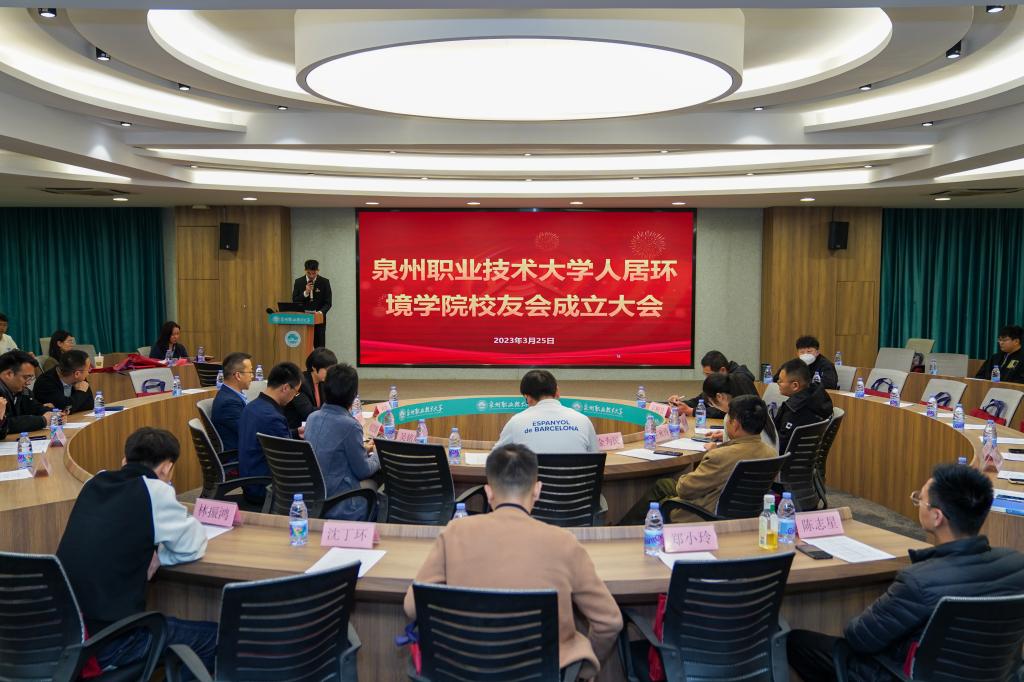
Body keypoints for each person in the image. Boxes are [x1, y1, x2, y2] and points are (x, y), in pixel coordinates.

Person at [787, 464, 1024, 682]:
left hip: (902, 674)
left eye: (920, 499)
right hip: (995, 675)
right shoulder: (1017, 565)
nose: (918, 503)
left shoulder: (919, 580)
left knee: (798, 643)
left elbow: (859, 638)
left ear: (937, 516)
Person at [404, 444, 622, 678]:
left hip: (464, 673)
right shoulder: (564, 542)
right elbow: (609, 621)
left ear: (488, 493)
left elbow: (412, 606)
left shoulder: (454, 533)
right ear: (537, 490)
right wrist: (582, 671)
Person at [56, 427, 216, 677]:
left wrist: (154, 554)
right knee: (214, 640)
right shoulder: (154, 491)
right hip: (109, 642)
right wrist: (161, 556)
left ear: (124, 460)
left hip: (67, 634)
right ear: (167, 468)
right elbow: (193, 544)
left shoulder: (94, 483)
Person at [623, 395, 778, 524]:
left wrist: (689, 474)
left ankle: (624, 530)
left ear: (735, 425)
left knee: (665, 489)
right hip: (745, 513)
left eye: (728, 418)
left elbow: (685, 490)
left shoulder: (720, 456)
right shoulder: (771, 453)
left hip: (704, 514)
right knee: (665, 484)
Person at [303, 364, 380, 520]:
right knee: (379, 484)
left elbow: (331, 452)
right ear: (354, 394)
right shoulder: (350, 426)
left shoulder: (312, 418)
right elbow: (363, 471)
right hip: (340, 503)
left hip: (312, 500)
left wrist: (363, 450)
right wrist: (378, 455)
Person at [237, 361, 302, 502]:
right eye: (296, 393)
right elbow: (289, 459)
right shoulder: (273, 417)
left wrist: (296, 433)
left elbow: (268, 440)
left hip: (250, 480)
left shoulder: (251, 407)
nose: (294, 397)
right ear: (286, 388)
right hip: (266, 488)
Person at [494, 369, 599, 453]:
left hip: (533, 475)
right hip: (578, 475)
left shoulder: (516, 422)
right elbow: (595, 455)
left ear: (528, 397)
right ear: (557, 391)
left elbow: (495, 457)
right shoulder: (583, 420)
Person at [668, 350, 756, 419]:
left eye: (709, 374)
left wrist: (692, 411)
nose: (707, 378)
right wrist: (680, 404)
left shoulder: (739, 380)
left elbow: (729, 410)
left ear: (722, 370)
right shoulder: (722, 379)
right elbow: (704, 399)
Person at [702, 372, 778, 449]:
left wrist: (714, 450)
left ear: (719, 397)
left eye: (712, 404)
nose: (714, 407)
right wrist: (725, 436)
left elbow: (736, 453)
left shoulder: (734, 418)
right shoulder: (759, 411)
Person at [773, 358, 834, 454]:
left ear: (795, 386)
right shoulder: (817, 397)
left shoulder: (795, 411)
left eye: (780, 381)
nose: (778, 383)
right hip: (808, 457)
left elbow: (780, 447)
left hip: (786, 460)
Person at [284, 347, 338, 432]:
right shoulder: (299, 383)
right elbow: (308, 412)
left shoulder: (322, 382)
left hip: (315, 426)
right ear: (314, 368)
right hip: (297, 431)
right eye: (327, 370)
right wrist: (335, 409)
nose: (330, 373)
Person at [0, 350, 48, 438]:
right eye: (26, 377)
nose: (28, 383)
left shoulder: (21, 390)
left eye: (30, 378)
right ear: (9, 374)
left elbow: (34, 408)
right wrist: (42, 420)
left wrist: (53, 413)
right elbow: (8, 424)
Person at [211, 351, 253, 451]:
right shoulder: (229, 403)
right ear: (238, 375)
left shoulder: (232, 395)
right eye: (250, 372)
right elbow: (250, 432)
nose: (252, 376)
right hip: (239, 455)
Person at [32, 349, 94, 413]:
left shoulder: (79, 378)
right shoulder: (45, 383)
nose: (88, 373)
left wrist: (70, 405)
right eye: (88, 369)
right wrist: (80, 393)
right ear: (77, 374)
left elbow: (90, 405)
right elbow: (64, 408)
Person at [292, 259, 332, 348]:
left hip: (319, 320)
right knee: (303, 346)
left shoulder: (324, 282)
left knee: (319, 347)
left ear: (318, 270)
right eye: (309, 273)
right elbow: (295, 301)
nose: (311, 276)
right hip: (303, 320)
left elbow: (328, 303)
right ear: (305, 270)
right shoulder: (298, 282)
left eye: (314, 273)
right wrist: (306, 292)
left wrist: (320, 313)